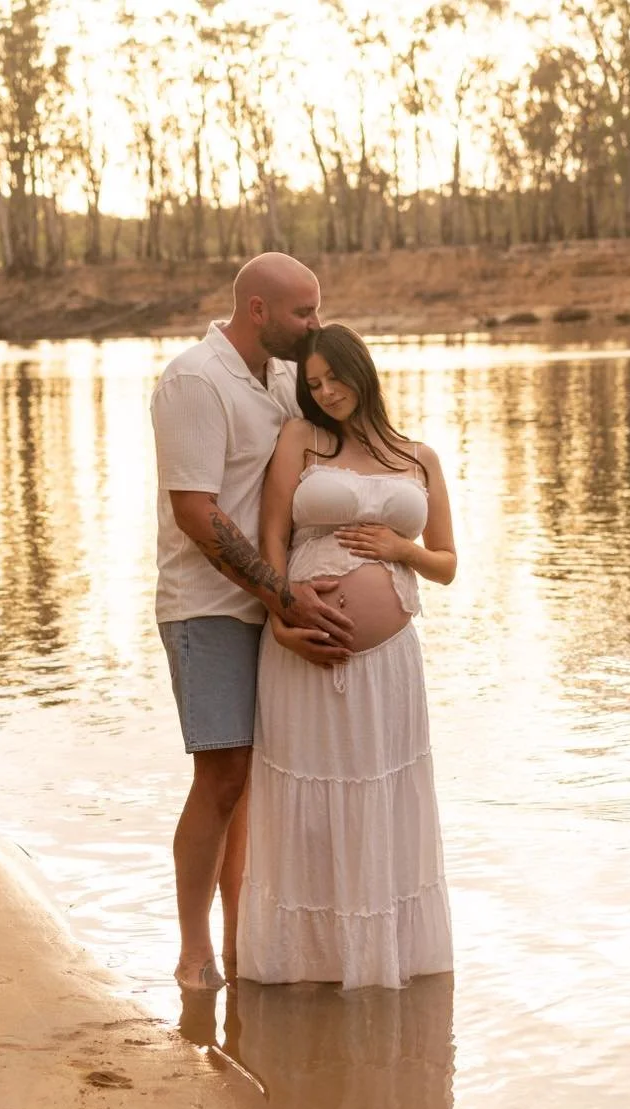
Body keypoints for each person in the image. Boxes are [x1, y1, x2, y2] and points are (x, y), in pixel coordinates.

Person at [151, 253, 354, 993]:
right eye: (304, 312)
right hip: (206, 607)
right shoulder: (194, 381)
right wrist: (283, 596)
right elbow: (196, 513)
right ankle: (192, 950)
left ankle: (245, 942)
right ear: (260, 309)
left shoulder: (280, 380)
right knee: (222, 774)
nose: (316, 325)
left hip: (265, 602)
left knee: (253, 784)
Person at [236, 322, 457, 989]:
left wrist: (401, 550)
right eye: (314, 384)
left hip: (388, 668)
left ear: (363, 371)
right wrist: (280, 615)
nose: (327, 392)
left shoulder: (418, 455)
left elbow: (446, 563)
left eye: (334, 377)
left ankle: (379, 964)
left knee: (380, 795)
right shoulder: (300, 440)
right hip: (304, 654)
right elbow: (271, 534)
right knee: (307, 801)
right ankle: (307, 967)